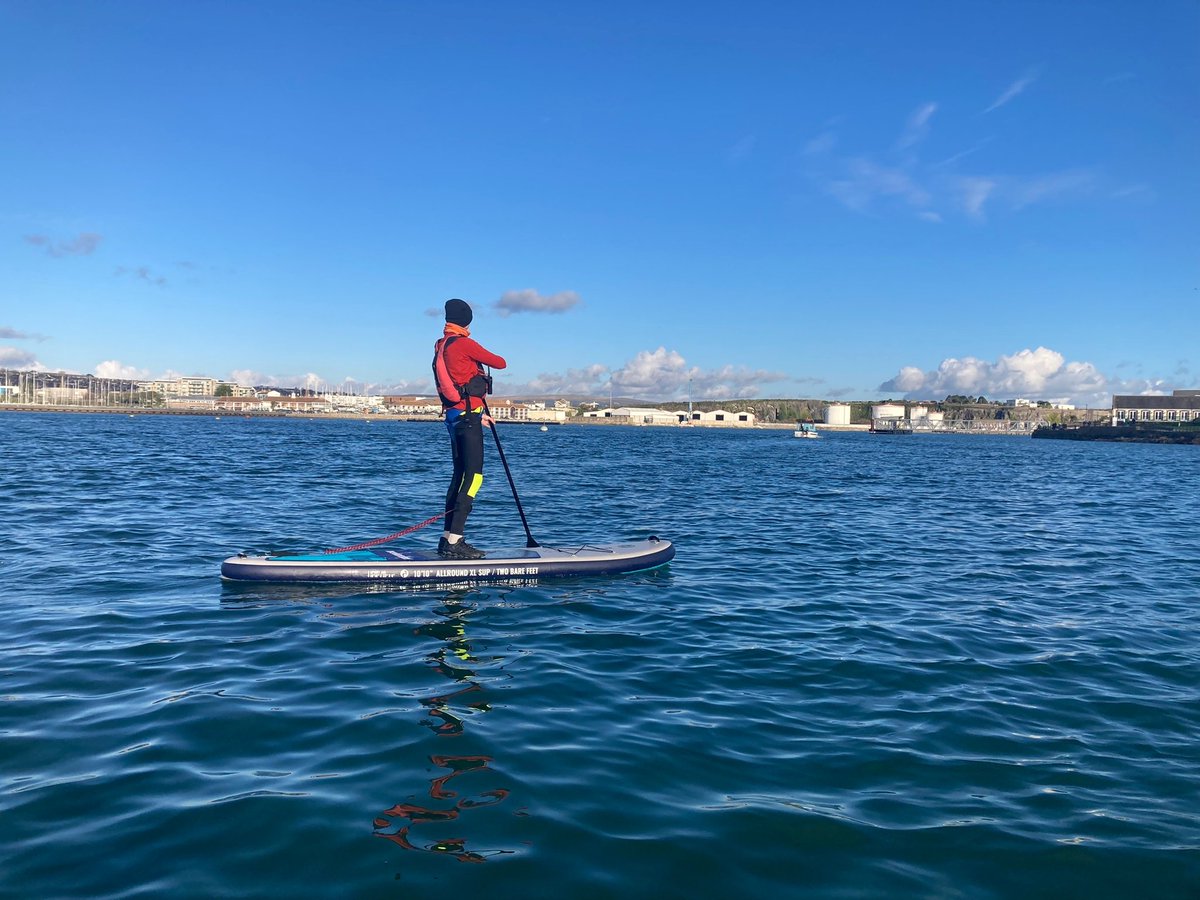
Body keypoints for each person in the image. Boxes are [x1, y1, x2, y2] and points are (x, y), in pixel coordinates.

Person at [432, 298, 506, 559]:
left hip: (456, 417)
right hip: (467, 418)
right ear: (467, 319)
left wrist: (480, 416)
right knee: (474, 478)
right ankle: (455, 540)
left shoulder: (442, 344)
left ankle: (446, 538)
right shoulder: (463, 343)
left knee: (459, 476)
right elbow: (500, 362)